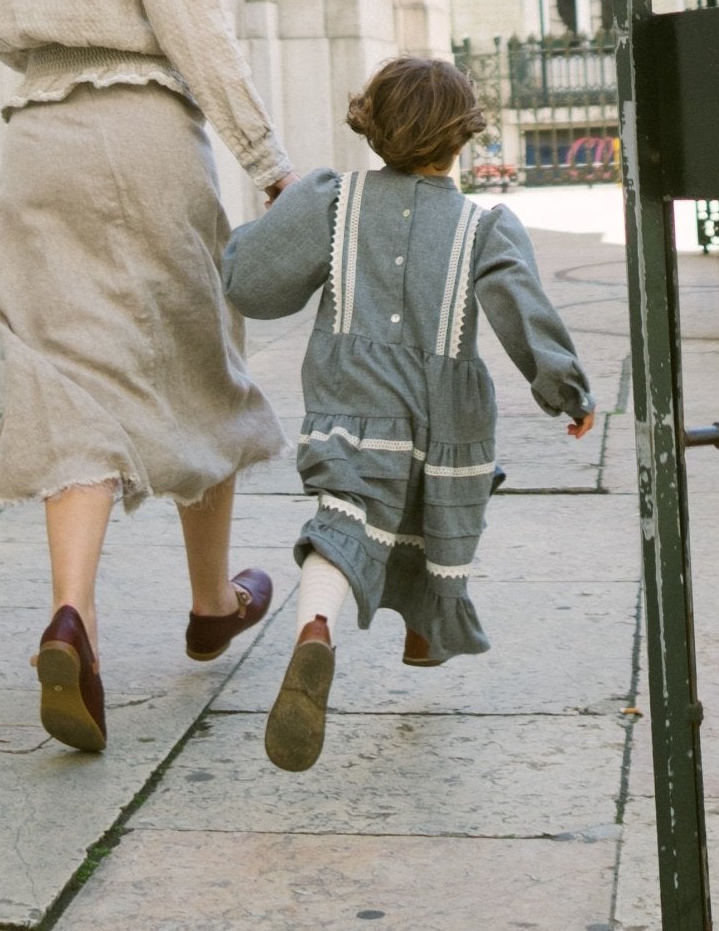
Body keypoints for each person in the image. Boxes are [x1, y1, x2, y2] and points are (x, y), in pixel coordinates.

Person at [0, 0, 297, 754]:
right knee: (199, 359)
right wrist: (264, 156)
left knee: (69, 378)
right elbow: (192, 20)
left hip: (34, 142)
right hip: (139, 136)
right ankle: (212, 601)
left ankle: (75, 614)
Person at [220, 57, 594, 773]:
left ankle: (315, 631)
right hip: (442, 418)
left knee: (345, 518)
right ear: (462, 138)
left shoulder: (333, 202)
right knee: (433, 510)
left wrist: (266, 227)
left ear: (373, 128)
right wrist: (565, 389)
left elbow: (250, 284)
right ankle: (425, 634)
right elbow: (523, 310)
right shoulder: (485, 227)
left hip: (351, 396)